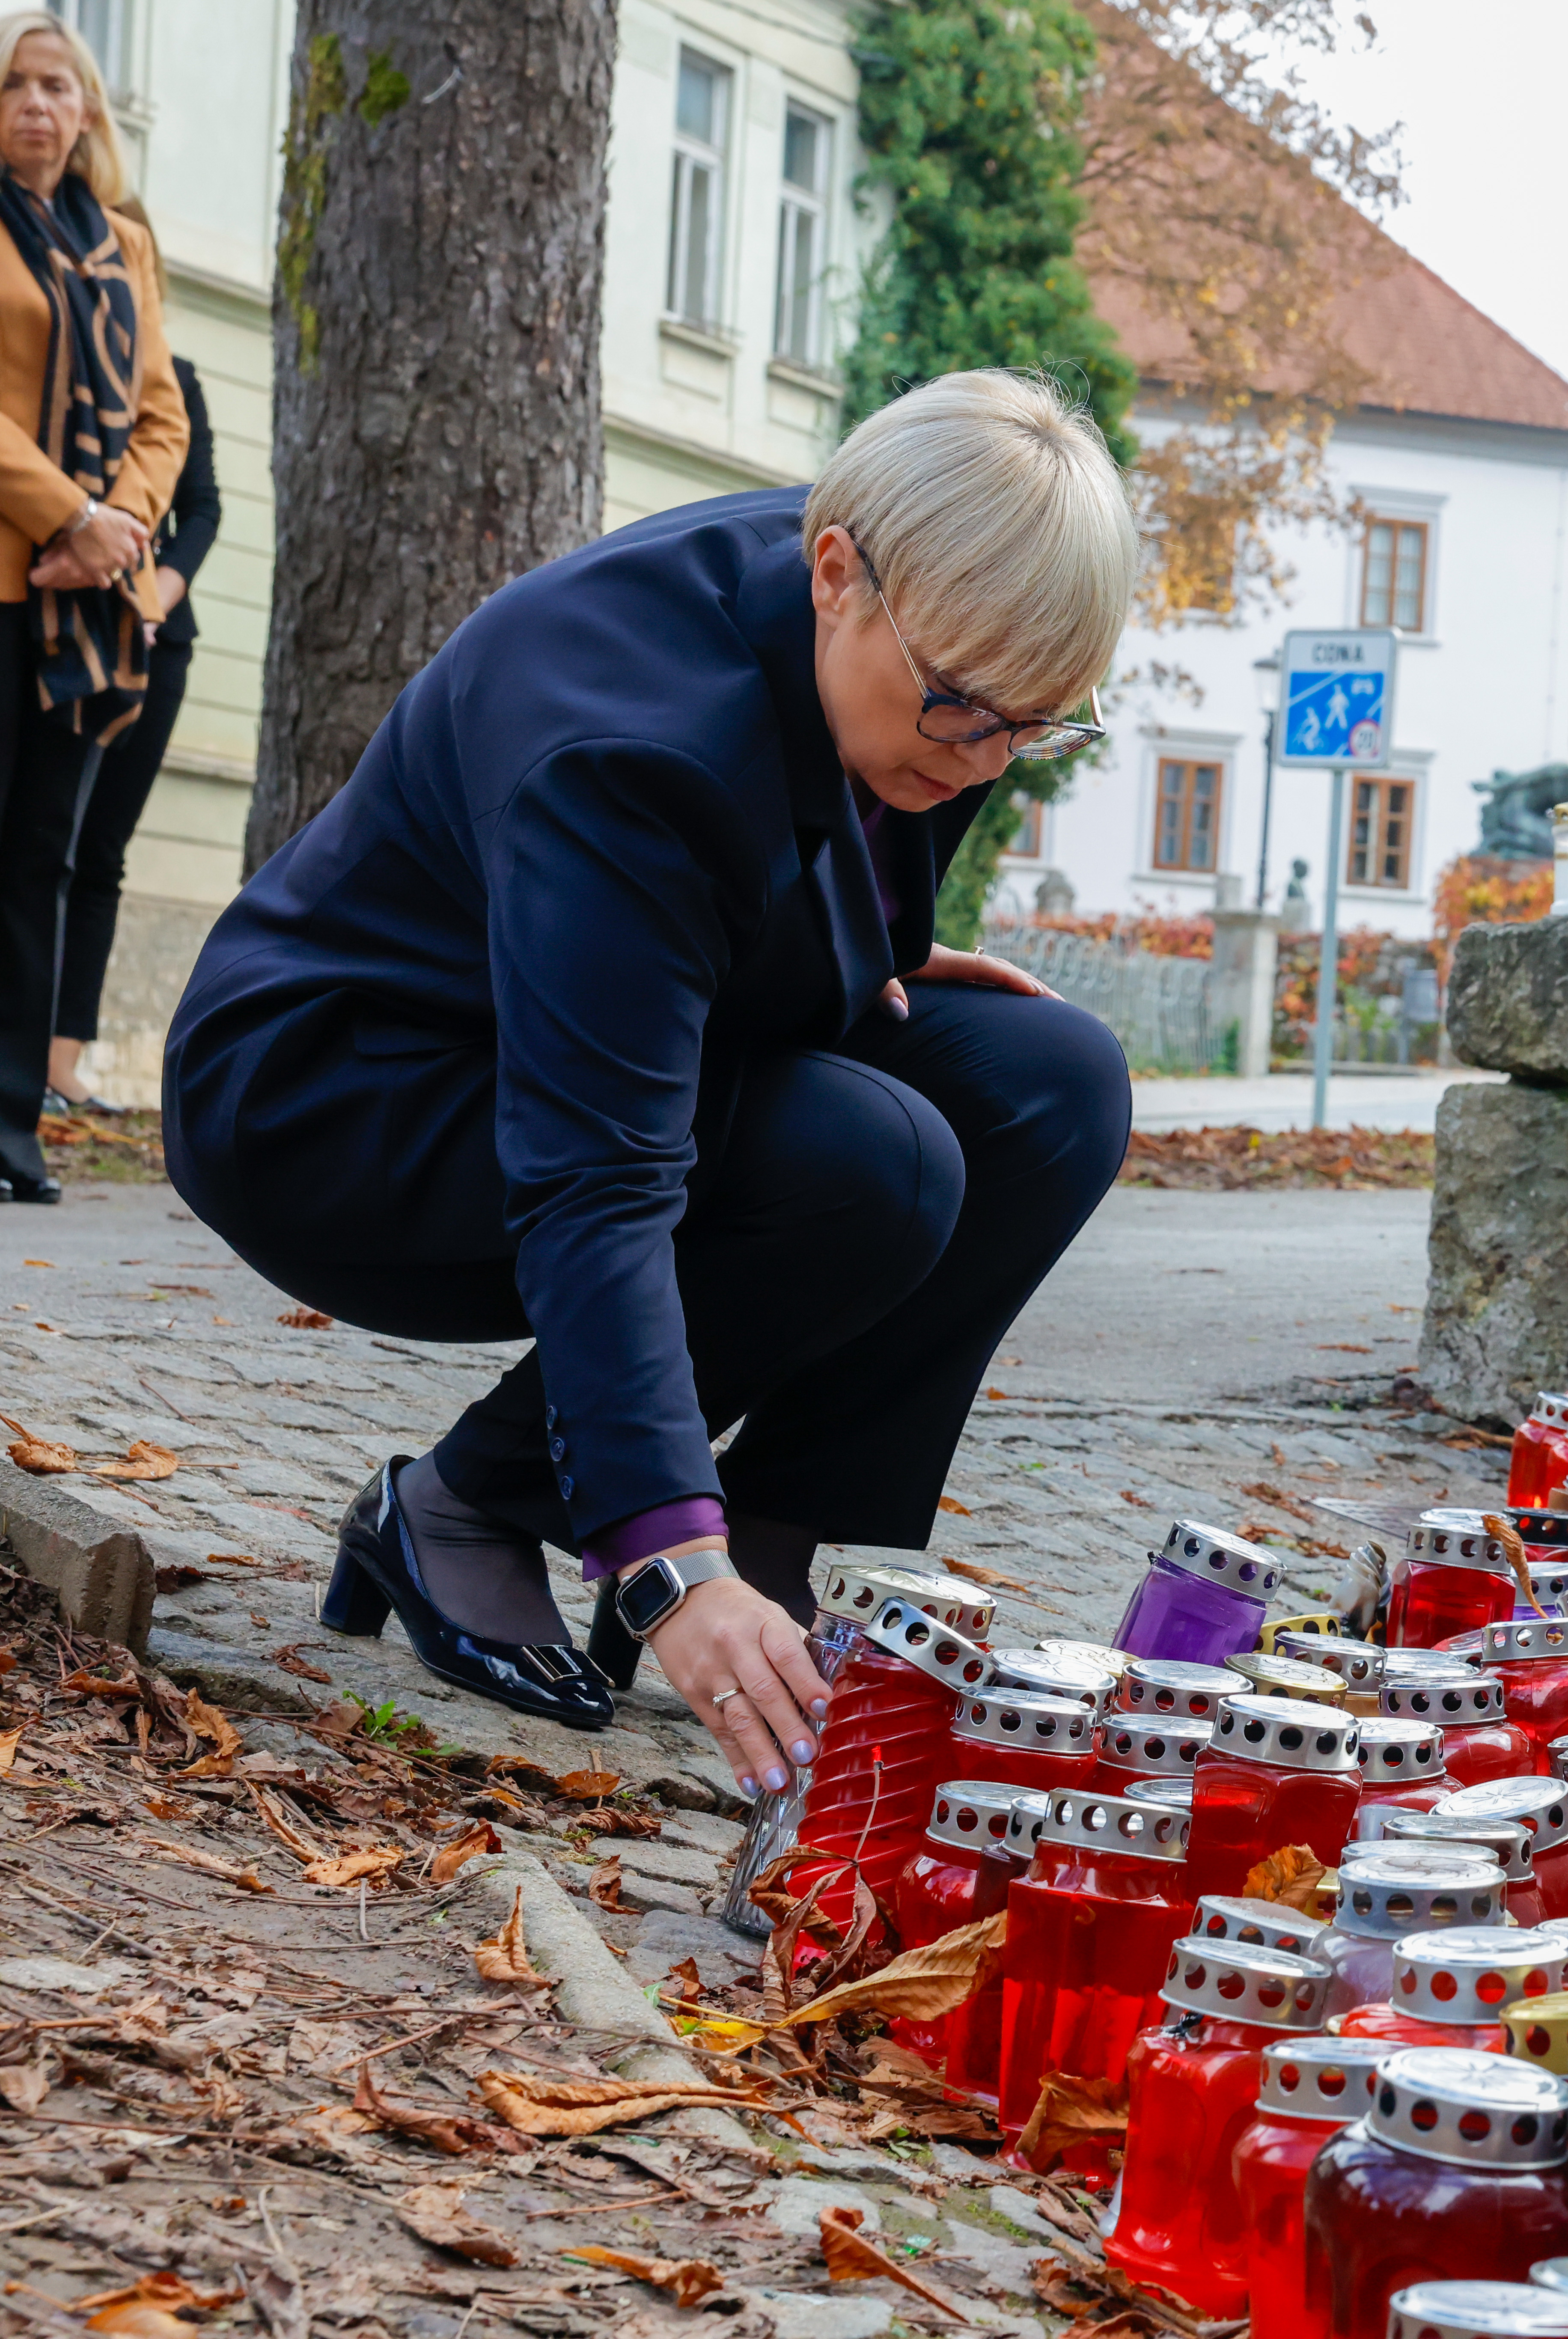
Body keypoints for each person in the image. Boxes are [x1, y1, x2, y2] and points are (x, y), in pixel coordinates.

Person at [164, 371, 1136, 1796]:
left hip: (545, 1030)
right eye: (959, 709)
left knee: (1050, 1083)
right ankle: (463, 1510)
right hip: (333, 1100)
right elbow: (597, 1179)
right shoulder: (629, 746)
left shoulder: (909, 620)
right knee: (879, 1162)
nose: (981, 757)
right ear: (836, 573)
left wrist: (868, 952)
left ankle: (791, 1555)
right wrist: (660, 1558)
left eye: (1032, 726)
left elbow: (794, 841)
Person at [0, 12, 188, 1201]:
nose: (32, 103)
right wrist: (67, 515)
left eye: (54, 85)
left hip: (86, 609)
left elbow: (165, 417)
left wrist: (114, 529)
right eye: (14, 85)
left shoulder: (123, 245)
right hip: (13, 568)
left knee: (40, 866)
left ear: (87, 113)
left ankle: (12, 1121)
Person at [48, 345, 210, 1112]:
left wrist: (150, 602)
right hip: (56, 621)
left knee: (99, 855)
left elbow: (202, 509)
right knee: (41, 843)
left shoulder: (175, 380)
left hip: (152, 641)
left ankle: (60, 1062)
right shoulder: (56, 354)